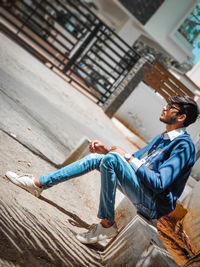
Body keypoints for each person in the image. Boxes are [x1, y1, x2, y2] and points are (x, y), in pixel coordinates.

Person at [5, 95, 199, 244]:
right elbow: (136, 162)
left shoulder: (184, 147)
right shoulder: (164, 136)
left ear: (181, 117)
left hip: (154, 205)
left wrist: (125, 156)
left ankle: (107, 224)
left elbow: (159, 183)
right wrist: (107, 150)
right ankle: (38, 184)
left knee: (113, 158)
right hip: (142, 190)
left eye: (170, 107)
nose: (164, 107)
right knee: (97, 158)